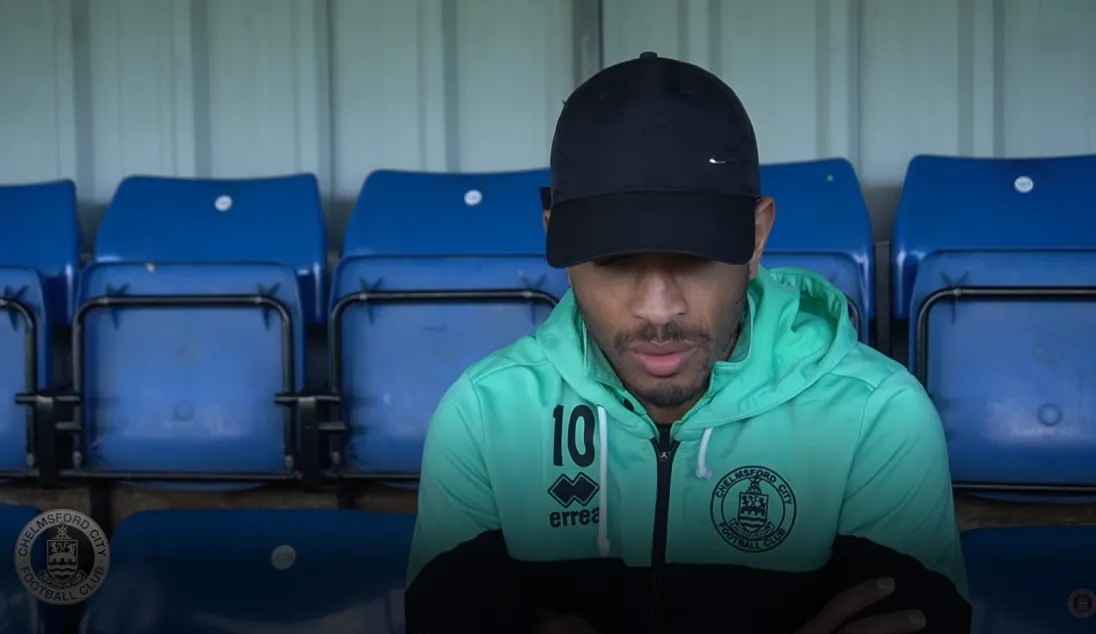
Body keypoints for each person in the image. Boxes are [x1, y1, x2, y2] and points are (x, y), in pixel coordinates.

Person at [404, 52, 971, 634]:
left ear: (756, 237)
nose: (658, 309)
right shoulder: (483, 416)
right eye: (615, 260)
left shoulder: (877, 415)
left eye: (695, 256)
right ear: (559, 241)